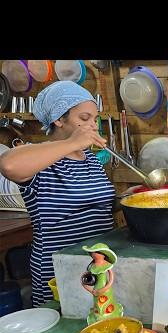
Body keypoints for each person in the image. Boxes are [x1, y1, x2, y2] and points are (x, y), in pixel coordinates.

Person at [0, 81, 114, 307]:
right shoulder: (42, 160)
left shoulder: (90, 160)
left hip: (99, 265)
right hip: (59, 270)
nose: (92, 126)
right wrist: (72, 143)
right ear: (58, 119)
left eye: (94, 119)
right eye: (83, 118)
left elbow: (95, 204)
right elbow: (9, 165)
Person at [81, 242, 124, 325]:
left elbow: (111, 278)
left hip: (105, 289)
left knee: (106, 303)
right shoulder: (92, 266)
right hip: (96, 289)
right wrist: (88, 288)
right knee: (97, 304)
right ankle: (98, 317)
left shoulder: (107, 265)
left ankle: (109, 315)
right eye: (92, 252)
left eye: (97, 252)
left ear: (103, 254)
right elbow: (84, 277)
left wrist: (105, 288)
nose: (93, 253)